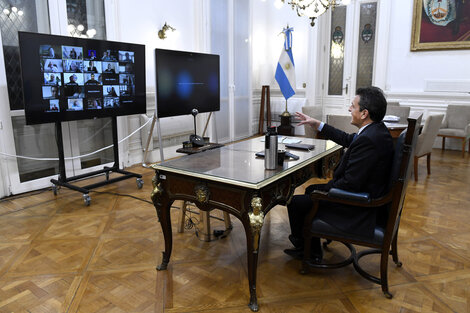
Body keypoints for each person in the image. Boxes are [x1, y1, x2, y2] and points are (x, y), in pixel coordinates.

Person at [284, 86, 394, 262]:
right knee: (311, 191)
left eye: (353, 106)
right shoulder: (376, 130)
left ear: (364, 113)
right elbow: (346, 139)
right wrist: (317, 124)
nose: (349, 109)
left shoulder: (369, 140)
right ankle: (309, 246)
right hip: (368, 193)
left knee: (296, 202)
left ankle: (308, 251)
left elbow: (350, 184)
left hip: (360, 206)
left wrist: (324, 190)